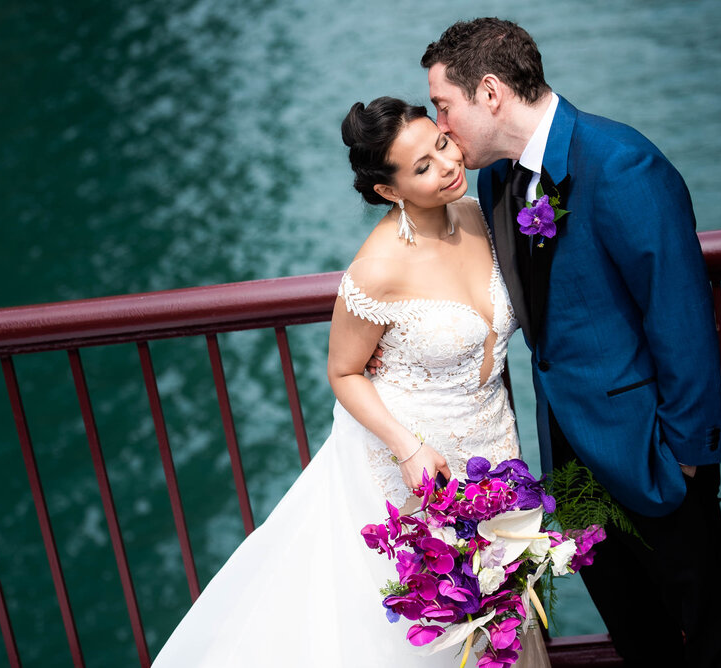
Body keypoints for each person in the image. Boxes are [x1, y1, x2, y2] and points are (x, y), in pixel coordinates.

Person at [404, 17, 721, 668]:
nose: (440, 125)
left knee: (706, 628)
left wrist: (683, 457)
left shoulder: (621, 164)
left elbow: (679, 319)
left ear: (488, 92)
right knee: (634, 630)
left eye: (442, 106)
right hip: (569, 456)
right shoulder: (496, 181)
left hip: (651, 451)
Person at [151, 97, 549, 666]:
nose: (446, 165)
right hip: (413, 467)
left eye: (440, 143)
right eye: (421, 168)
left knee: (504, 613)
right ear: (389, 191)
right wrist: (406, 447)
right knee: (434, 622)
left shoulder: (479, 214)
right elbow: (342, 371)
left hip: (493, 450)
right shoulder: (377, 269)